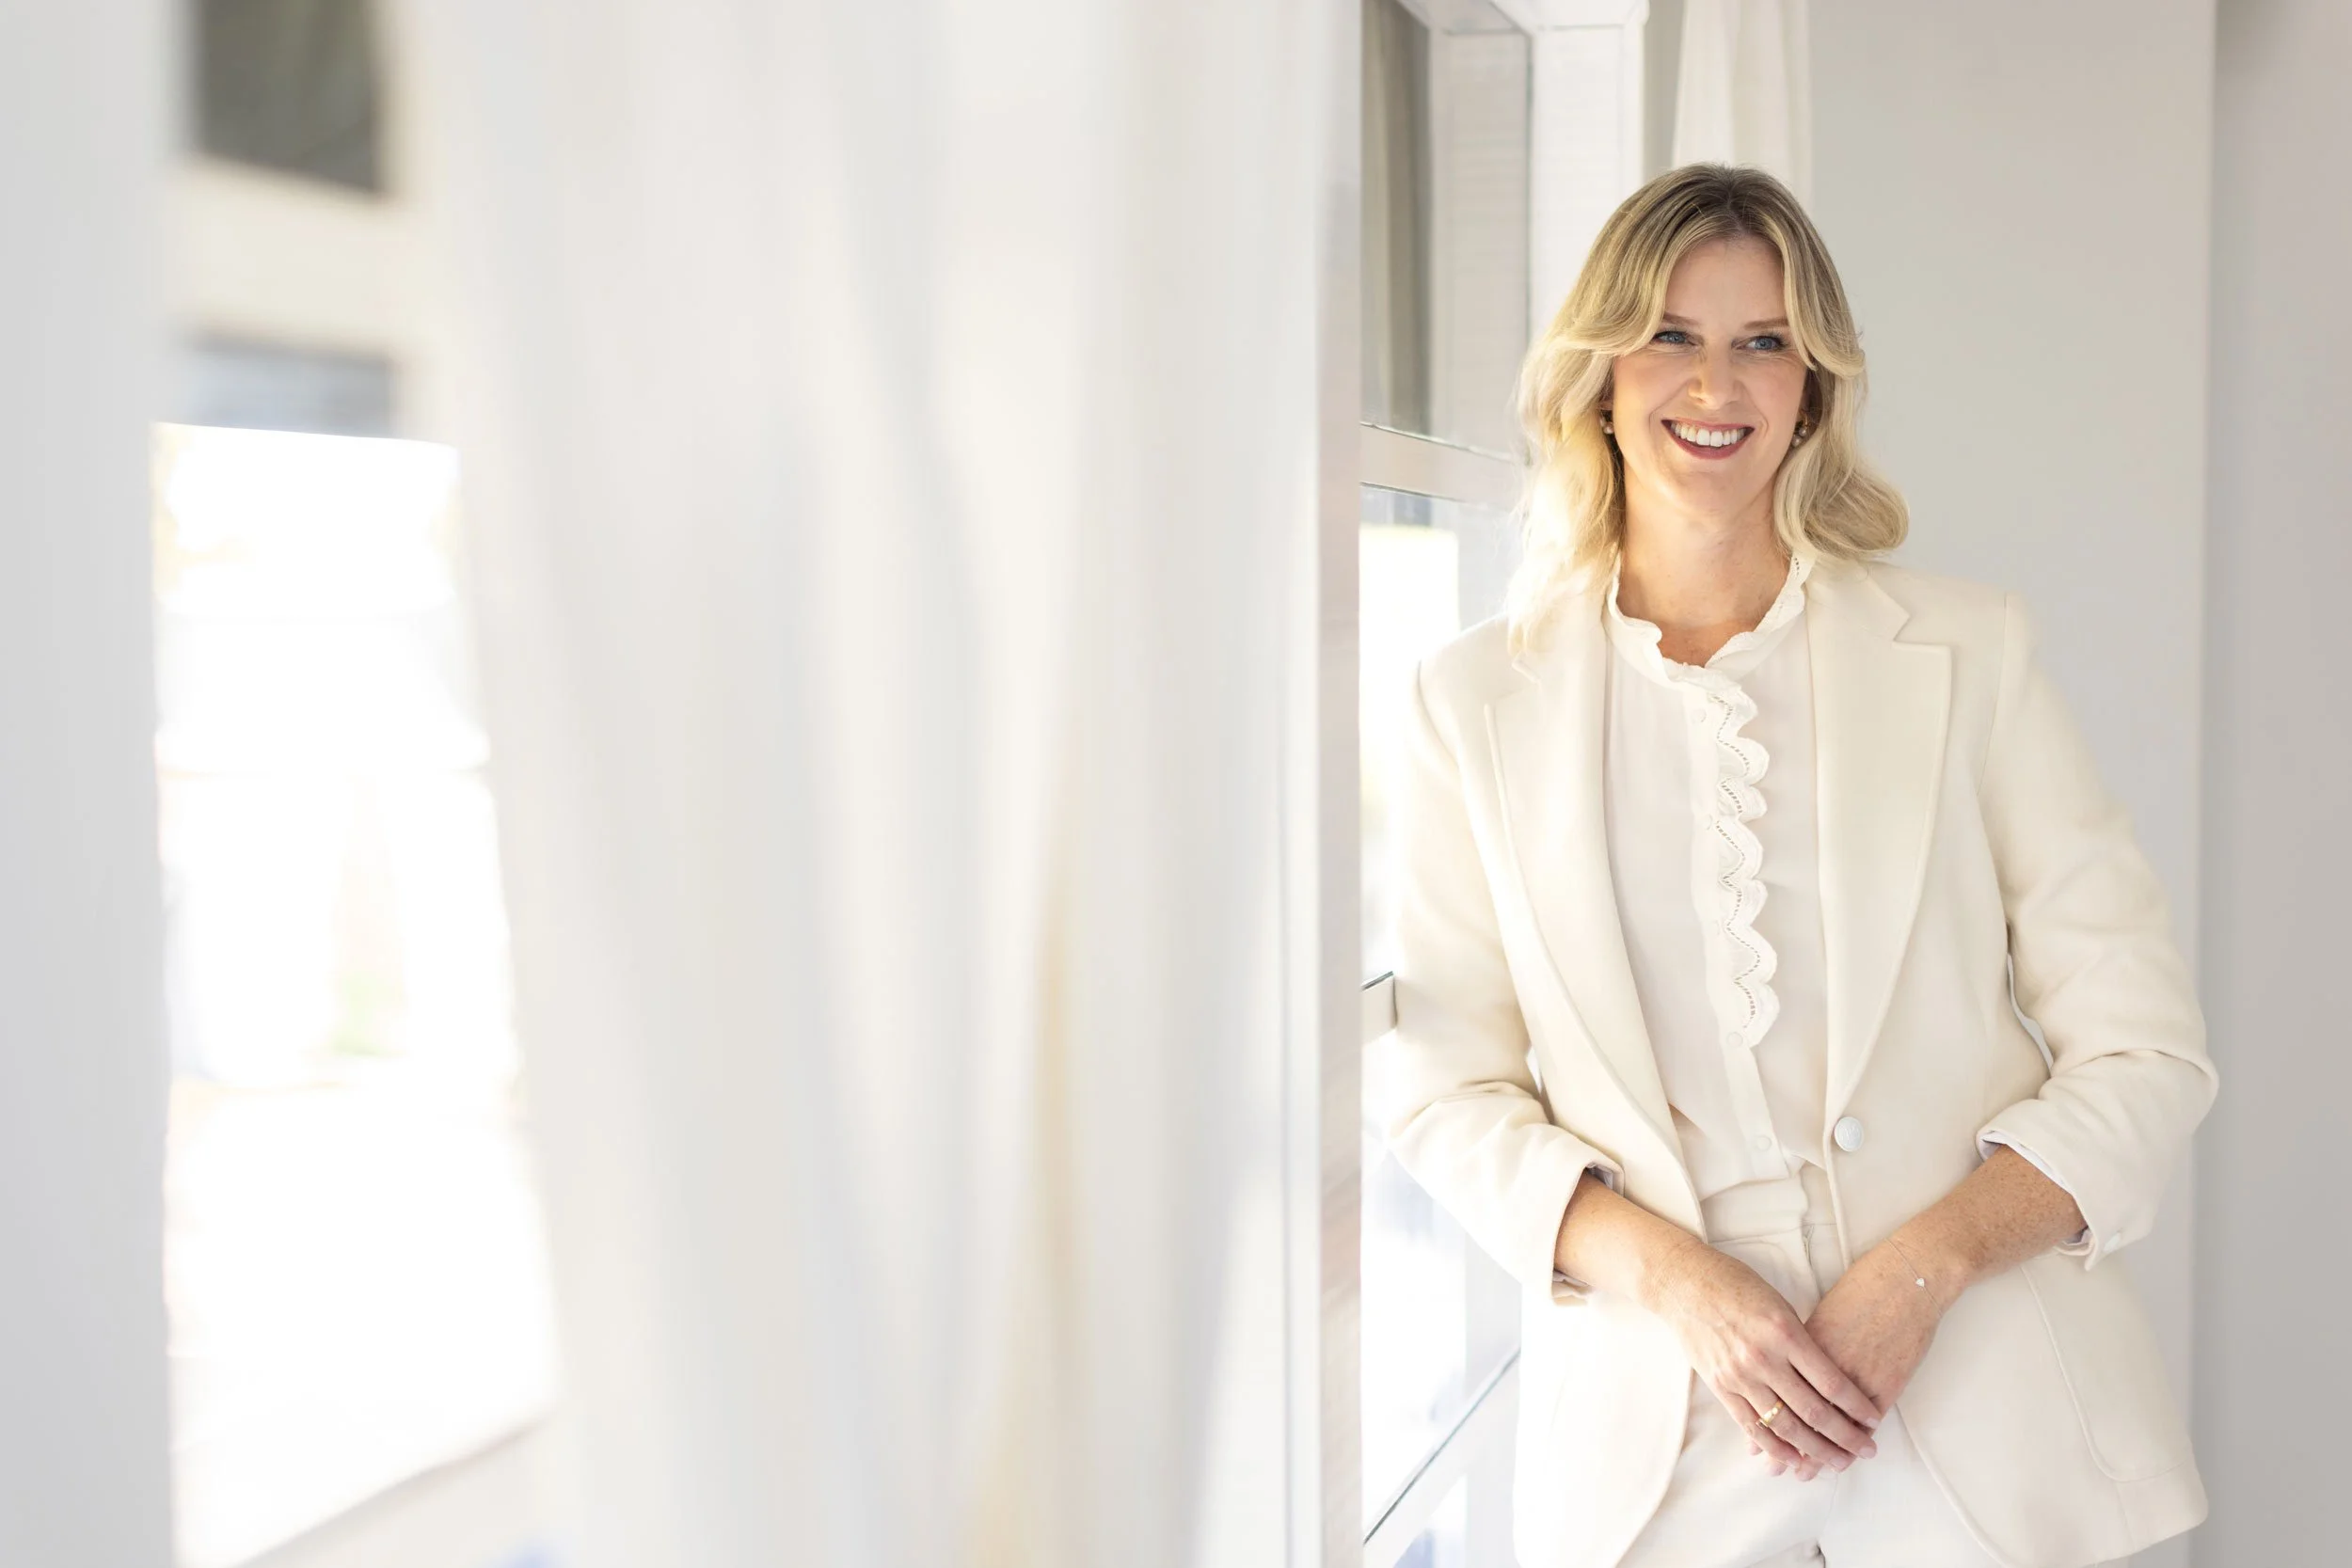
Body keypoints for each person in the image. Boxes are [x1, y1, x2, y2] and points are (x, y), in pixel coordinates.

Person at [1376, 163, 2217, 1568]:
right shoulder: (1471, 704)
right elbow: (1444, 1090)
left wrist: (1922, 1267)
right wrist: (1679, 1281)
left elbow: (2147, 1050)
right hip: (1658, 1456)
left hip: (1995, 1443)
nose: (1718, 382)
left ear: (1814, 386)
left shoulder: (1969, 652)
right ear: (1597, 373)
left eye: (1764, 340)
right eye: (1671, 333)